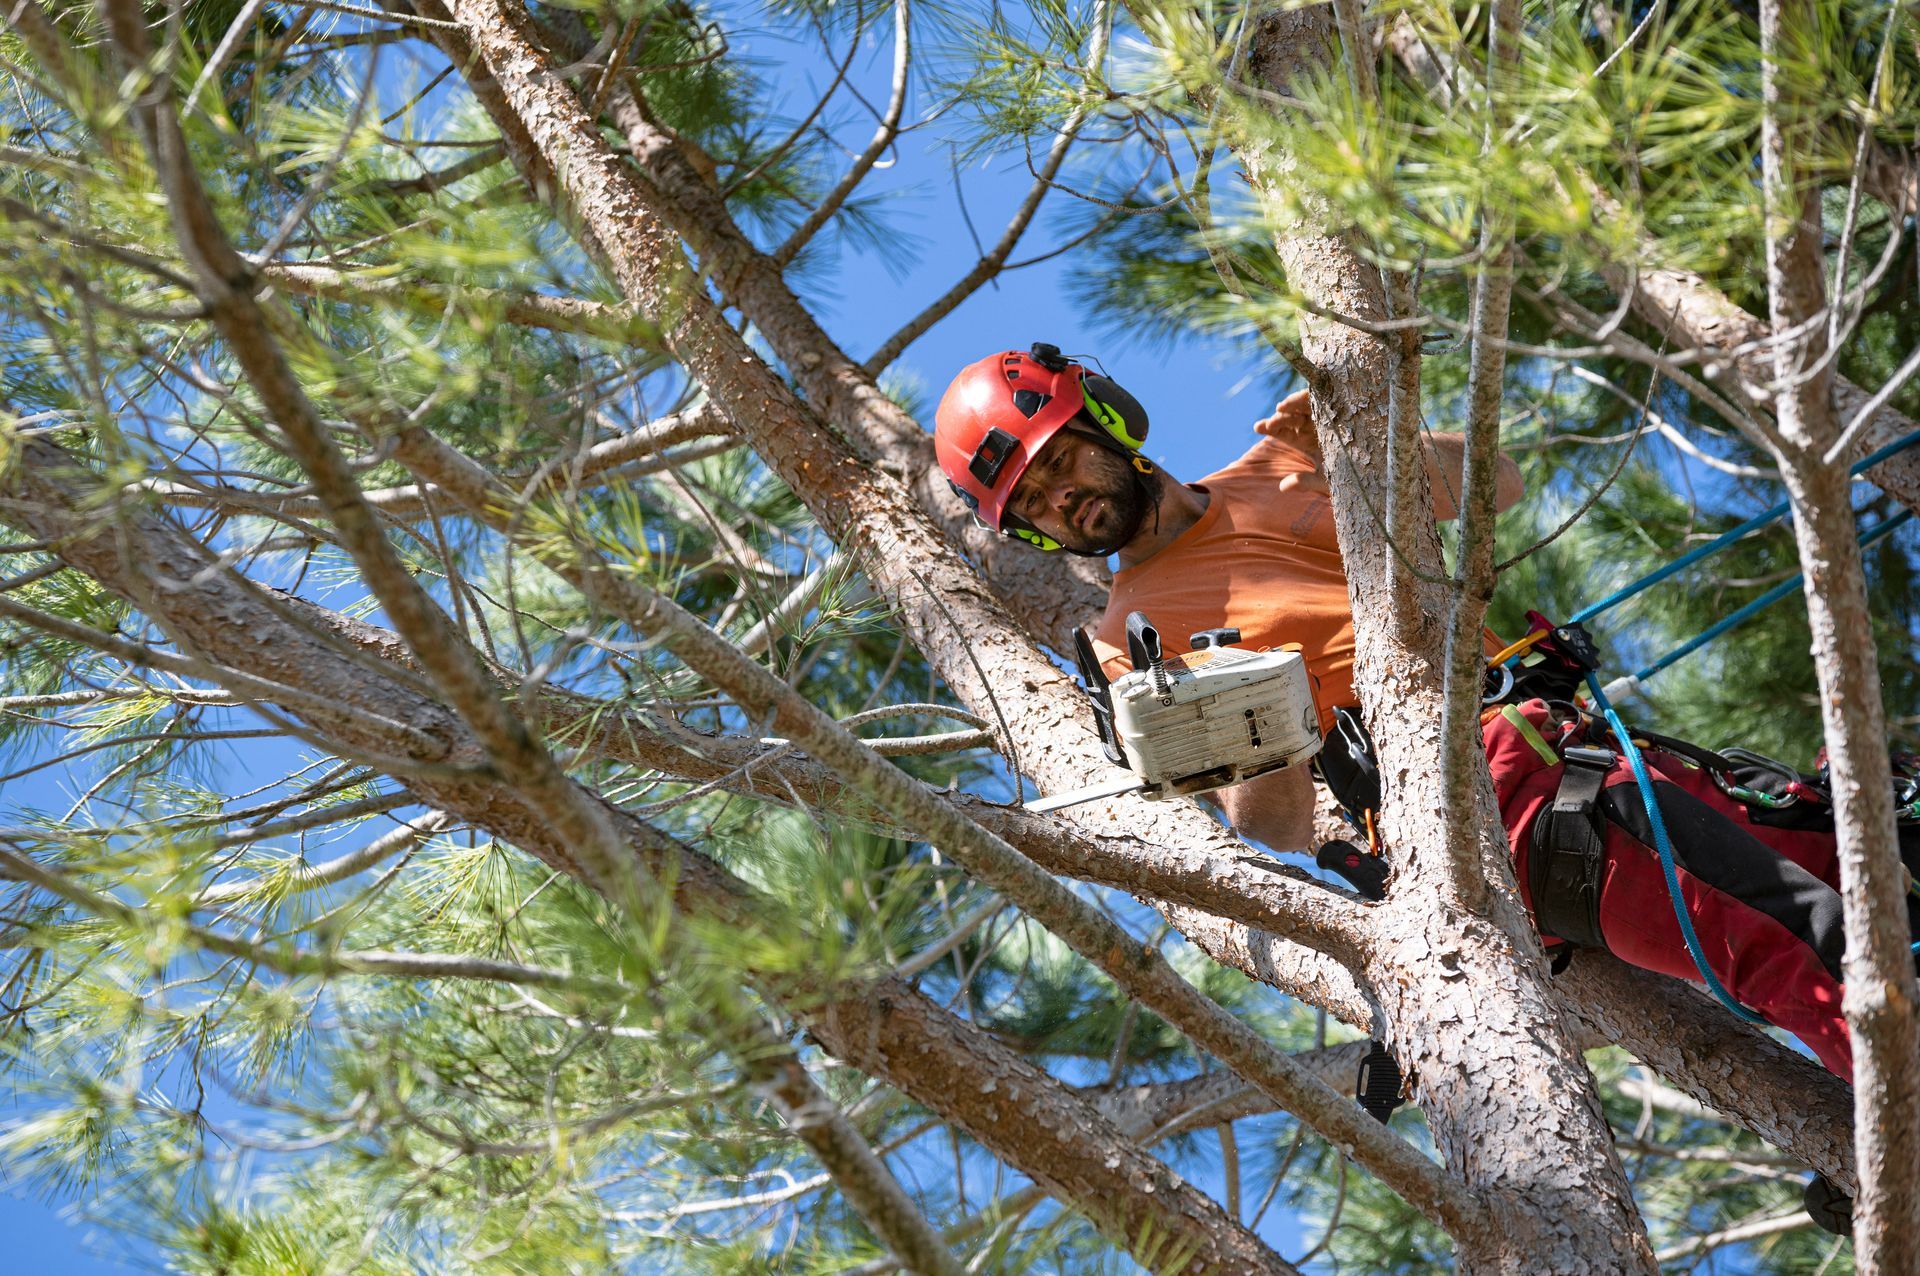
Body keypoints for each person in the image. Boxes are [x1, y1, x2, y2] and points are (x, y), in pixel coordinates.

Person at [934, 343, 1875, 1082]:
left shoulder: (1280, 460)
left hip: (1585, 747)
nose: (1065, 494)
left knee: (1873, 859)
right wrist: (1257, 724)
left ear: (1107, 422)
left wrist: (1372, 446)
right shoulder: (1124, 638)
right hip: (1497, 813)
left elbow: (1496, 484)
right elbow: (1279, 827)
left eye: (1063, 457)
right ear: (1030, 530)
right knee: (1797, 944)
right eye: (1037, 499)